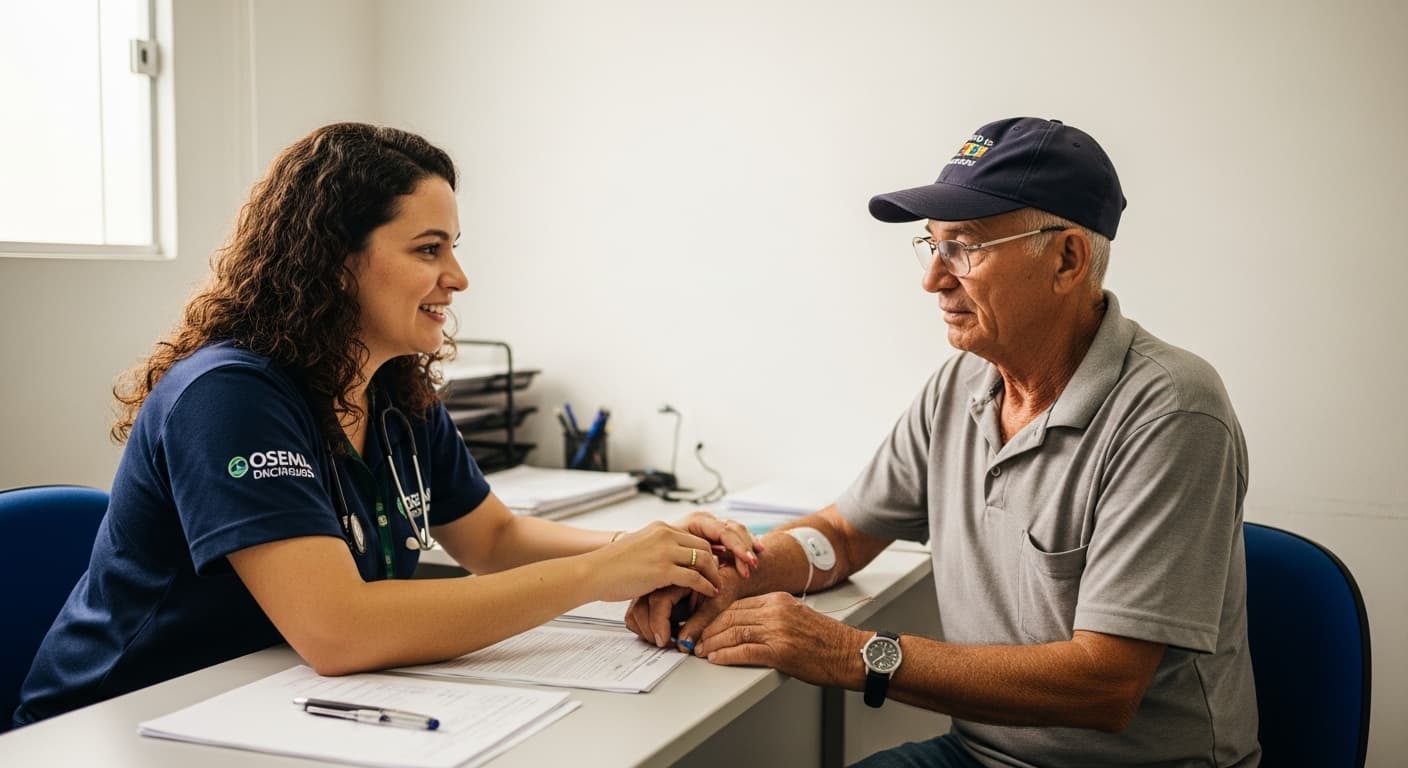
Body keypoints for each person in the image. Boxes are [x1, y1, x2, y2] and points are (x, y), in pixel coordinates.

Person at [14, 122, 758, 728]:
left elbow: (494, 540)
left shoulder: (393, 389)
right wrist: (598, 575)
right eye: (429, 249)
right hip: (120, 724)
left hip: (270, 707)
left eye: (454, 249)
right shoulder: (230, 395)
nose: (458, 278)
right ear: (337, 261)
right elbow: (338, 630)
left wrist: (659, 552)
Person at [626, 117, 1258, 767]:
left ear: (1067, 258)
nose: (933, 279)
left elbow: (1105, 685)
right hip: (981, 755)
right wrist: (735, 571)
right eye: (930, 246)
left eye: (963, 247)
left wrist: (852, 654)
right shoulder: (962, 385)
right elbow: (844, 535)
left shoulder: (1172, 413)